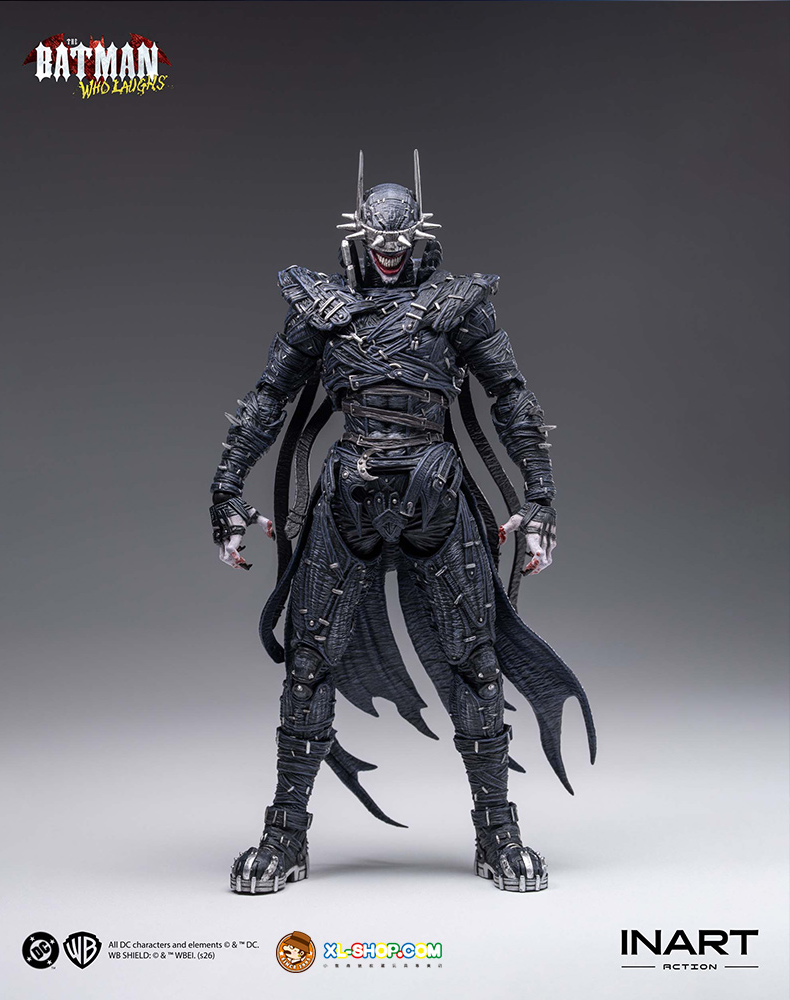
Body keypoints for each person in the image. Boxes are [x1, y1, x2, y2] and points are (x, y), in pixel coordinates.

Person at [210, 152, 595, 895]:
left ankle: (499, 833)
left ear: (419, 235)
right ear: (358, 234)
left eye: (400, 239)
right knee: (308, 665)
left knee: (475, 662)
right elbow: (268, 398)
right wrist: (225, 489)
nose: (389, 253)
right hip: (347, 496)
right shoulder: (319, 309)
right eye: (378, 239)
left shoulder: (460, 307)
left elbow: (512, 397)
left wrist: (541, 499)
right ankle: (284, 837)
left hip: (436, 495)